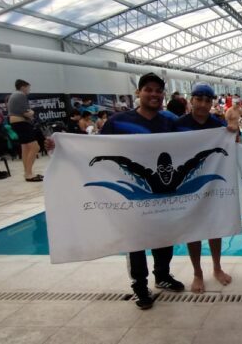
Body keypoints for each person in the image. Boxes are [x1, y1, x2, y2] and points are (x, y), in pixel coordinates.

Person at [97, 73, 185, 309]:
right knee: (135, 240)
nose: (154, 94)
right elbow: (94, 148)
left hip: (161, 192)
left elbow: (192, 142)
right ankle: (139, 286)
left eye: (158, 90)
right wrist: (58, 145)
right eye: (149, 89)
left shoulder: (169, 122)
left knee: (164, 236)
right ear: (138, 92)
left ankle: (162, 275)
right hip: (133, 193)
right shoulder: (117, 121)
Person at [173, 83, 239, 293]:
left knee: (214, 227)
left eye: (206, 100)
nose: (202, 104)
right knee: (193, 230)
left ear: (211, 103)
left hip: (212, 183)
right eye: (198, 99)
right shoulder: (178, 125)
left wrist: (234, 131)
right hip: (187, 185)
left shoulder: (217, 124)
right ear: (191, 100)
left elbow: (235, 145)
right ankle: (197, 273)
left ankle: (217, 268)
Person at [7, 79, 42, 182]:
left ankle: (27, 172)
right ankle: (29, 173)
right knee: (35, 147)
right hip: (21, 123)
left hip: (15, 123)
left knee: (25, 149)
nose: (29, 90)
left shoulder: (13, 95)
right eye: (28, 88)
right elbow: (27, 113)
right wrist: (32, 112)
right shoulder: (21, 95)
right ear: (23, 87)